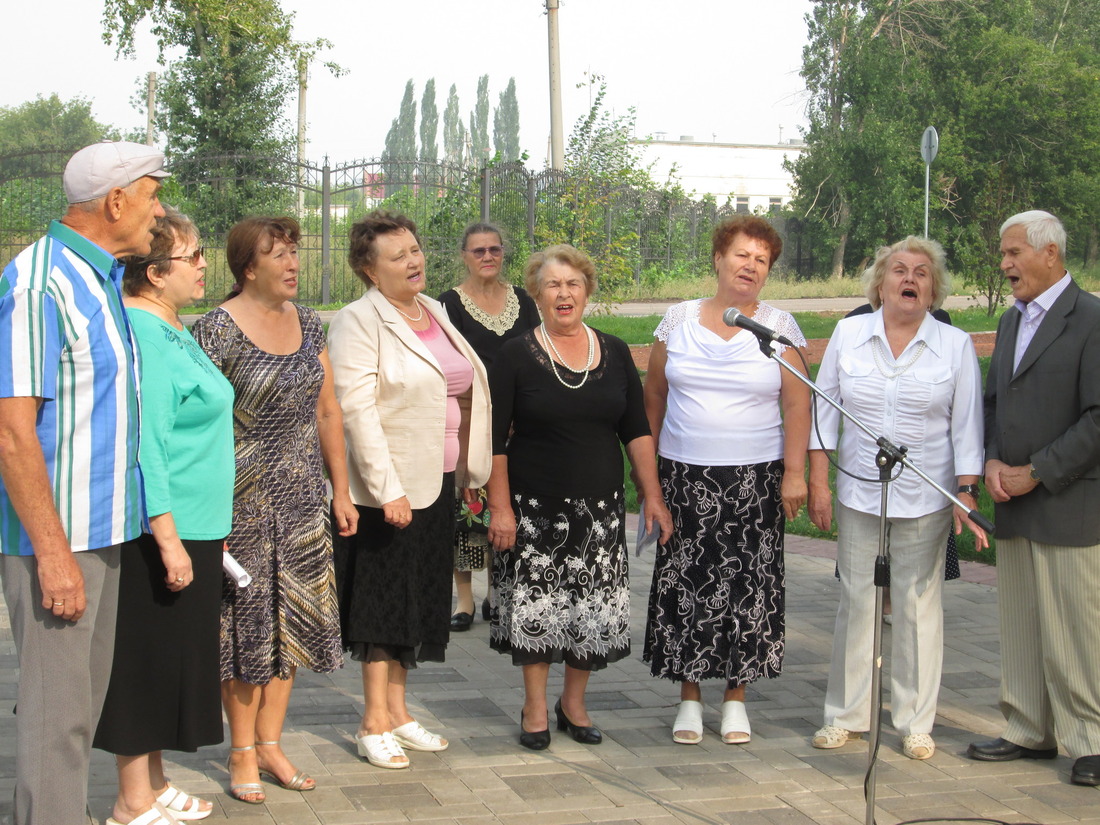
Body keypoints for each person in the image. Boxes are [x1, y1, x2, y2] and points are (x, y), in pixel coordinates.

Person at [0, 141, 166, 825]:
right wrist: (53, 554)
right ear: (116, 201)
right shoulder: (41, 282)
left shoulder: (96, 276)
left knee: (79, 708)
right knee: (56, 720)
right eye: (152, 196)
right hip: (59, 542)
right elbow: (12, 431)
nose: (160, 212)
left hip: (101, 530)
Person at [191, 217, 358, 803]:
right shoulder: (215, 329)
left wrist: (340, 489)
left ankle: (270, 743)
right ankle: (240, 751)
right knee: (247, 631)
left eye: (294, 252)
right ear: (247, 267)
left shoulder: (311, 322)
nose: (292, 263)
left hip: (304, 500)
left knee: (292, 627)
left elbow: (328, 411)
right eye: (277, 254)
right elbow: (198, 422)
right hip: (241, 501)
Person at [486, 243, 673, 750]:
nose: (563, 293)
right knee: (537, 609)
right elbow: (494, 440)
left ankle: (573, 703)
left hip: (601, 512)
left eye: (573, 284)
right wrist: (499, 507)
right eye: (552, 285)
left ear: (588, 291)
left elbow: (636, 429)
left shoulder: (613, 352)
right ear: (537, 295)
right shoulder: (514, 355)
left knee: (589, 611)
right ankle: (532, 706)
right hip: (533, 509)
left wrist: (650, 495)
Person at [808, 236, 987, 761]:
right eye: (900, 270)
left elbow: (967, 426)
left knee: (916, 606)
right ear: (880, 284)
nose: (910, 279)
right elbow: (824, 414)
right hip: (860, 493)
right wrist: (819, 482)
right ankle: (846, 716)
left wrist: (966, 492)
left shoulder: (953, 345)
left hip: (926, 496)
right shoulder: (848, 332)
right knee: (858, 601)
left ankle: (914, 722)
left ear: (933, 290)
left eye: (922, 273)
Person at [328, 211, 492, 770]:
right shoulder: (358, 320)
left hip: (438, 481)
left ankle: (399, 712)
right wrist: (385, 487)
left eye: (416, 250)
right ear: (368, 269)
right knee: (383, 603)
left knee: (419, 597)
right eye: (397, 257)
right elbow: (356, 410)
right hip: (389, 490)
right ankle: (372, 720)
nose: (414, 261)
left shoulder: (435, 312)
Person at [642, 215, 810, 746]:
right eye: (741, 254)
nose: (750, 266)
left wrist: (796, 473)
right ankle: (689, 698)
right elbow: (653, 396)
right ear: (717, 259)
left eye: (761, 260)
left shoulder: (781, 327)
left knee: (749, 587)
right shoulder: (677, 319)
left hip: (755, 478)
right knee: (687, 583)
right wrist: (647, 477)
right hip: (684, 475)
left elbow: (797, 402)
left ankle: (736, 697)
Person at [93, 208, 233, 824]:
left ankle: (153, 779)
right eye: (194, 256)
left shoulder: (174, 326)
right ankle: (130, 800)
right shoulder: (144, 335)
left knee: (174, 658)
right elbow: (148, 442)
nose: (205, 265)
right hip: (163, 528)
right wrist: (168, 538)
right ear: (154, 273)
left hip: (200, 522)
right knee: (145, 662)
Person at [968, 211, 1100, 786]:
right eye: (1004, 253)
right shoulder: (1011, 318)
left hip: (1070, 501)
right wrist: (995, 460)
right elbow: (995, 400)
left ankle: (1090, 740)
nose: (1005, 264)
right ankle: (1027, 728)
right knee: (1020, 620)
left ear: (1051, 253)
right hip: (1013, 499)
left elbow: (1099, 417)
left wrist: (1038, 471)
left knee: (1076, 625)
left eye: (1014, 252)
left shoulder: (1092, 318)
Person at [438, 222, 540, 632]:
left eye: (494, 250)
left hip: (519, 421)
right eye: (478, 251)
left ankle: (499, 593)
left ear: (503, 254)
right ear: (464, 256)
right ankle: (464, 600)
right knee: (469, 508)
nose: (487, 257)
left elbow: (536, 350)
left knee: (510, 505)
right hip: (469, 420)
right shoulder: (449, 304)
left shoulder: (523, 300)